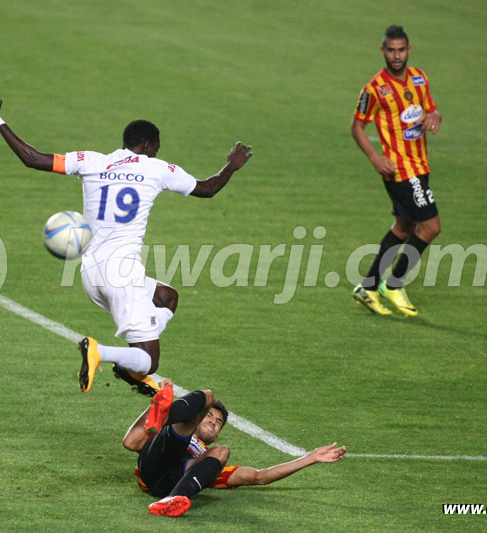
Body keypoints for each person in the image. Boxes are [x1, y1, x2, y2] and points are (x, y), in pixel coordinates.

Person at [0, 88, 253, 395]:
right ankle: (102, 353)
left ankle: (128, 367)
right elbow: (207, 189)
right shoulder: (157, 168)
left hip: (90, 274)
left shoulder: (91, 161)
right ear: (149, 145)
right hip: (122, 275)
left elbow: (31, 158)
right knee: (150, 361)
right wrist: (232, 165)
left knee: (167, 298)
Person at [122, 379, 347, 517]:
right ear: (198, 418)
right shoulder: (181, 428)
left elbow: (259, 476)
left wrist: (310, 458)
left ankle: (172, 500)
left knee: (223, 451)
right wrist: (158, 406)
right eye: (209, 416)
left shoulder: (208, 461)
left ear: (217, 433)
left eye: (218, 422)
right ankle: (165, 408)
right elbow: (131, 442)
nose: (213, 421)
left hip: (173, 482)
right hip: (153, 466)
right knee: (207, 395)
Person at [350, 25, 442, 317]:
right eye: (391, 50)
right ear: (383, 51)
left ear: (409, 50)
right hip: (400, 170)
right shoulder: (375, 88)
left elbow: (432, 109)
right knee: (431, 227)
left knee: (403, 228)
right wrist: (376, 158)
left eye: (401, 49)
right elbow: (357, 127)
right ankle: (394, 284)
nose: (396, 55)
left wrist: (433, 117)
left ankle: (368, 286)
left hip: (420, 165)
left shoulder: (420, 78)